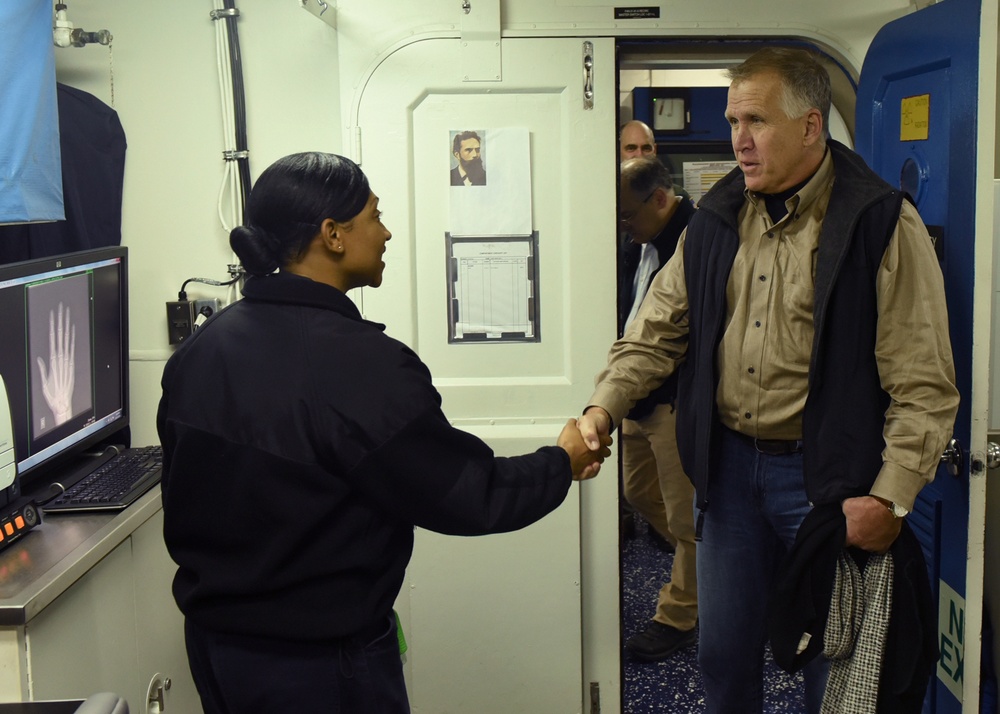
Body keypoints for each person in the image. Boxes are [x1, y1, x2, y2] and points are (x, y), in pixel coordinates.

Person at [157, 151, 610, 713]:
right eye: (374, 215)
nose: (387, 231)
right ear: (333, 234)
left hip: (217, 653)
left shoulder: (201, 351)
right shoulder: (361, 365)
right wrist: (562, 459)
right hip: (320, 669)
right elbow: (469, 494)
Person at [581, 47, 959, 713]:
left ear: (811, 126)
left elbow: (923, 383)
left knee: (829, 658)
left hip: (826, 482)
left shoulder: (878, 222)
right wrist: (602, 408)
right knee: (722, 658)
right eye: (733, 121)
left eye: (756, 121)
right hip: (727, 476)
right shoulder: (719, 221)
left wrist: (893, 498)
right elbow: (656, 330)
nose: (739, 141)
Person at [616, 157, 699, 662]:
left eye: (628, 214)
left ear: (661, 199)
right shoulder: (639, 244)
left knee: (686, 521)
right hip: (635, 395)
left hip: (674, 399)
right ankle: (706, 571)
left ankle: (679, 614)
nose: (623, 225)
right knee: (636, 492)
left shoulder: (697, 237)